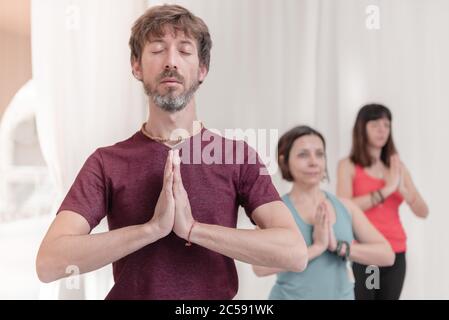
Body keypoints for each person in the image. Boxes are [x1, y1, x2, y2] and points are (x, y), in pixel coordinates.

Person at [35, 4, 308, 300]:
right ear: (136, 66)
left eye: (185, 50)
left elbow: (293, 253)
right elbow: (49, 263)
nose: (171, 61)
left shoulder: (236, 156)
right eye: (157, 50)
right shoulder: (106, 162)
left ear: (202, 69)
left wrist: (193, 230)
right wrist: (151, 230)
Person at [252, 125, 394, 300]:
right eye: (303, 154)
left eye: (319, 154)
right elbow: (259, 268)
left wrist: (339, 248)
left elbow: (387, 255)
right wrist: (317, 248)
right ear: (284, 160)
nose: (313, 161)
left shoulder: (346, 207)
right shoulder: (273, 209)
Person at [337, 104, 429, 300]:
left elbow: (423, 211)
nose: (382, 130)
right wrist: (386, 190)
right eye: (375, 124)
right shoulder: (348, 166)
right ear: (362, 128)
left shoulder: (397, 168)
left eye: (386, 125)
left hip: (397, 251)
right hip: (367, 252)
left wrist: (404, 190)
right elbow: (343, 208)